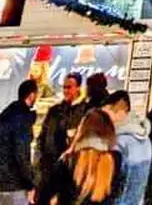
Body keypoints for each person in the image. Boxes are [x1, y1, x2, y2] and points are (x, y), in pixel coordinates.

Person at [45, 109, 123, 204]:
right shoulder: (115, 159)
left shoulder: (69, 159)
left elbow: (48, 191)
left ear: (82, 130)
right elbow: (117, 191)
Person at [37, 71, 86, 205]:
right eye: (64, 87)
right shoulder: (54, 111)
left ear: (78, 88)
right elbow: (42, 137)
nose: (65, 90)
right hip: (49, 169)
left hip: (70, 174)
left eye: (69, 87)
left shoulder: (84, 111)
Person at [0, 79, 39, 205]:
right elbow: (21, 153)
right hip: (14, 187)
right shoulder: (22, 120)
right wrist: (31, 182)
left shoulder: (5, 118)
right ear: (32, 95)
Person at [105, 90, 152, 205]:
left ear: (121, 112)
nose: (104, 119)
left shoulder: (119, 143)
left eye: (107, 114)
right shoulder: (145, 138)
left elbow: (110, 184)